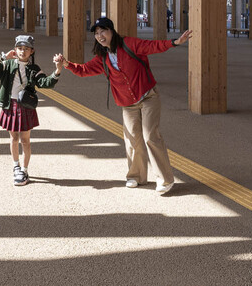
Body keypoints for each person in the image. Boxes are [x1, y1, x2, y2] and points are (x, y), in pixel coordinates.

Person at [60, 17, 193, 194]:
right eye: (97, 33)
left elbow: (152, 46)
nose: (100, 36)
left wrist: (174, 42)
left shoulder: (129, 44)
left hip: (148, 96)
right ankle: (136, 176)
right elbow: (84, 70)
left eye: (103, 31)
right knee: (132, 139)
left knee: (150, 136)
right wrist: (67, 64)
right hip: (127, 103)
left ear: (112, 31)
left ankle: (165, 179)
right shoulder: (103, 57)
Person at [0, 34, 63, 185]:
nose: (23, 51)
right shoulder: (7, 65)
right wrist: (3, 57)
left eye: (26, 49)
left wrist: (57, 70)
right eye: (20, 48)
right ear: (15, 49)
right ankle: (16, 167)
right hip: (11, 105)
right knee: (14, 138)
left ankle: (25, 169)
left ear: (32, 51)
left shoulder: (34, 69)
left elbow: (45, 83)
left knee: (25, 140)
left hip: (25, 106)